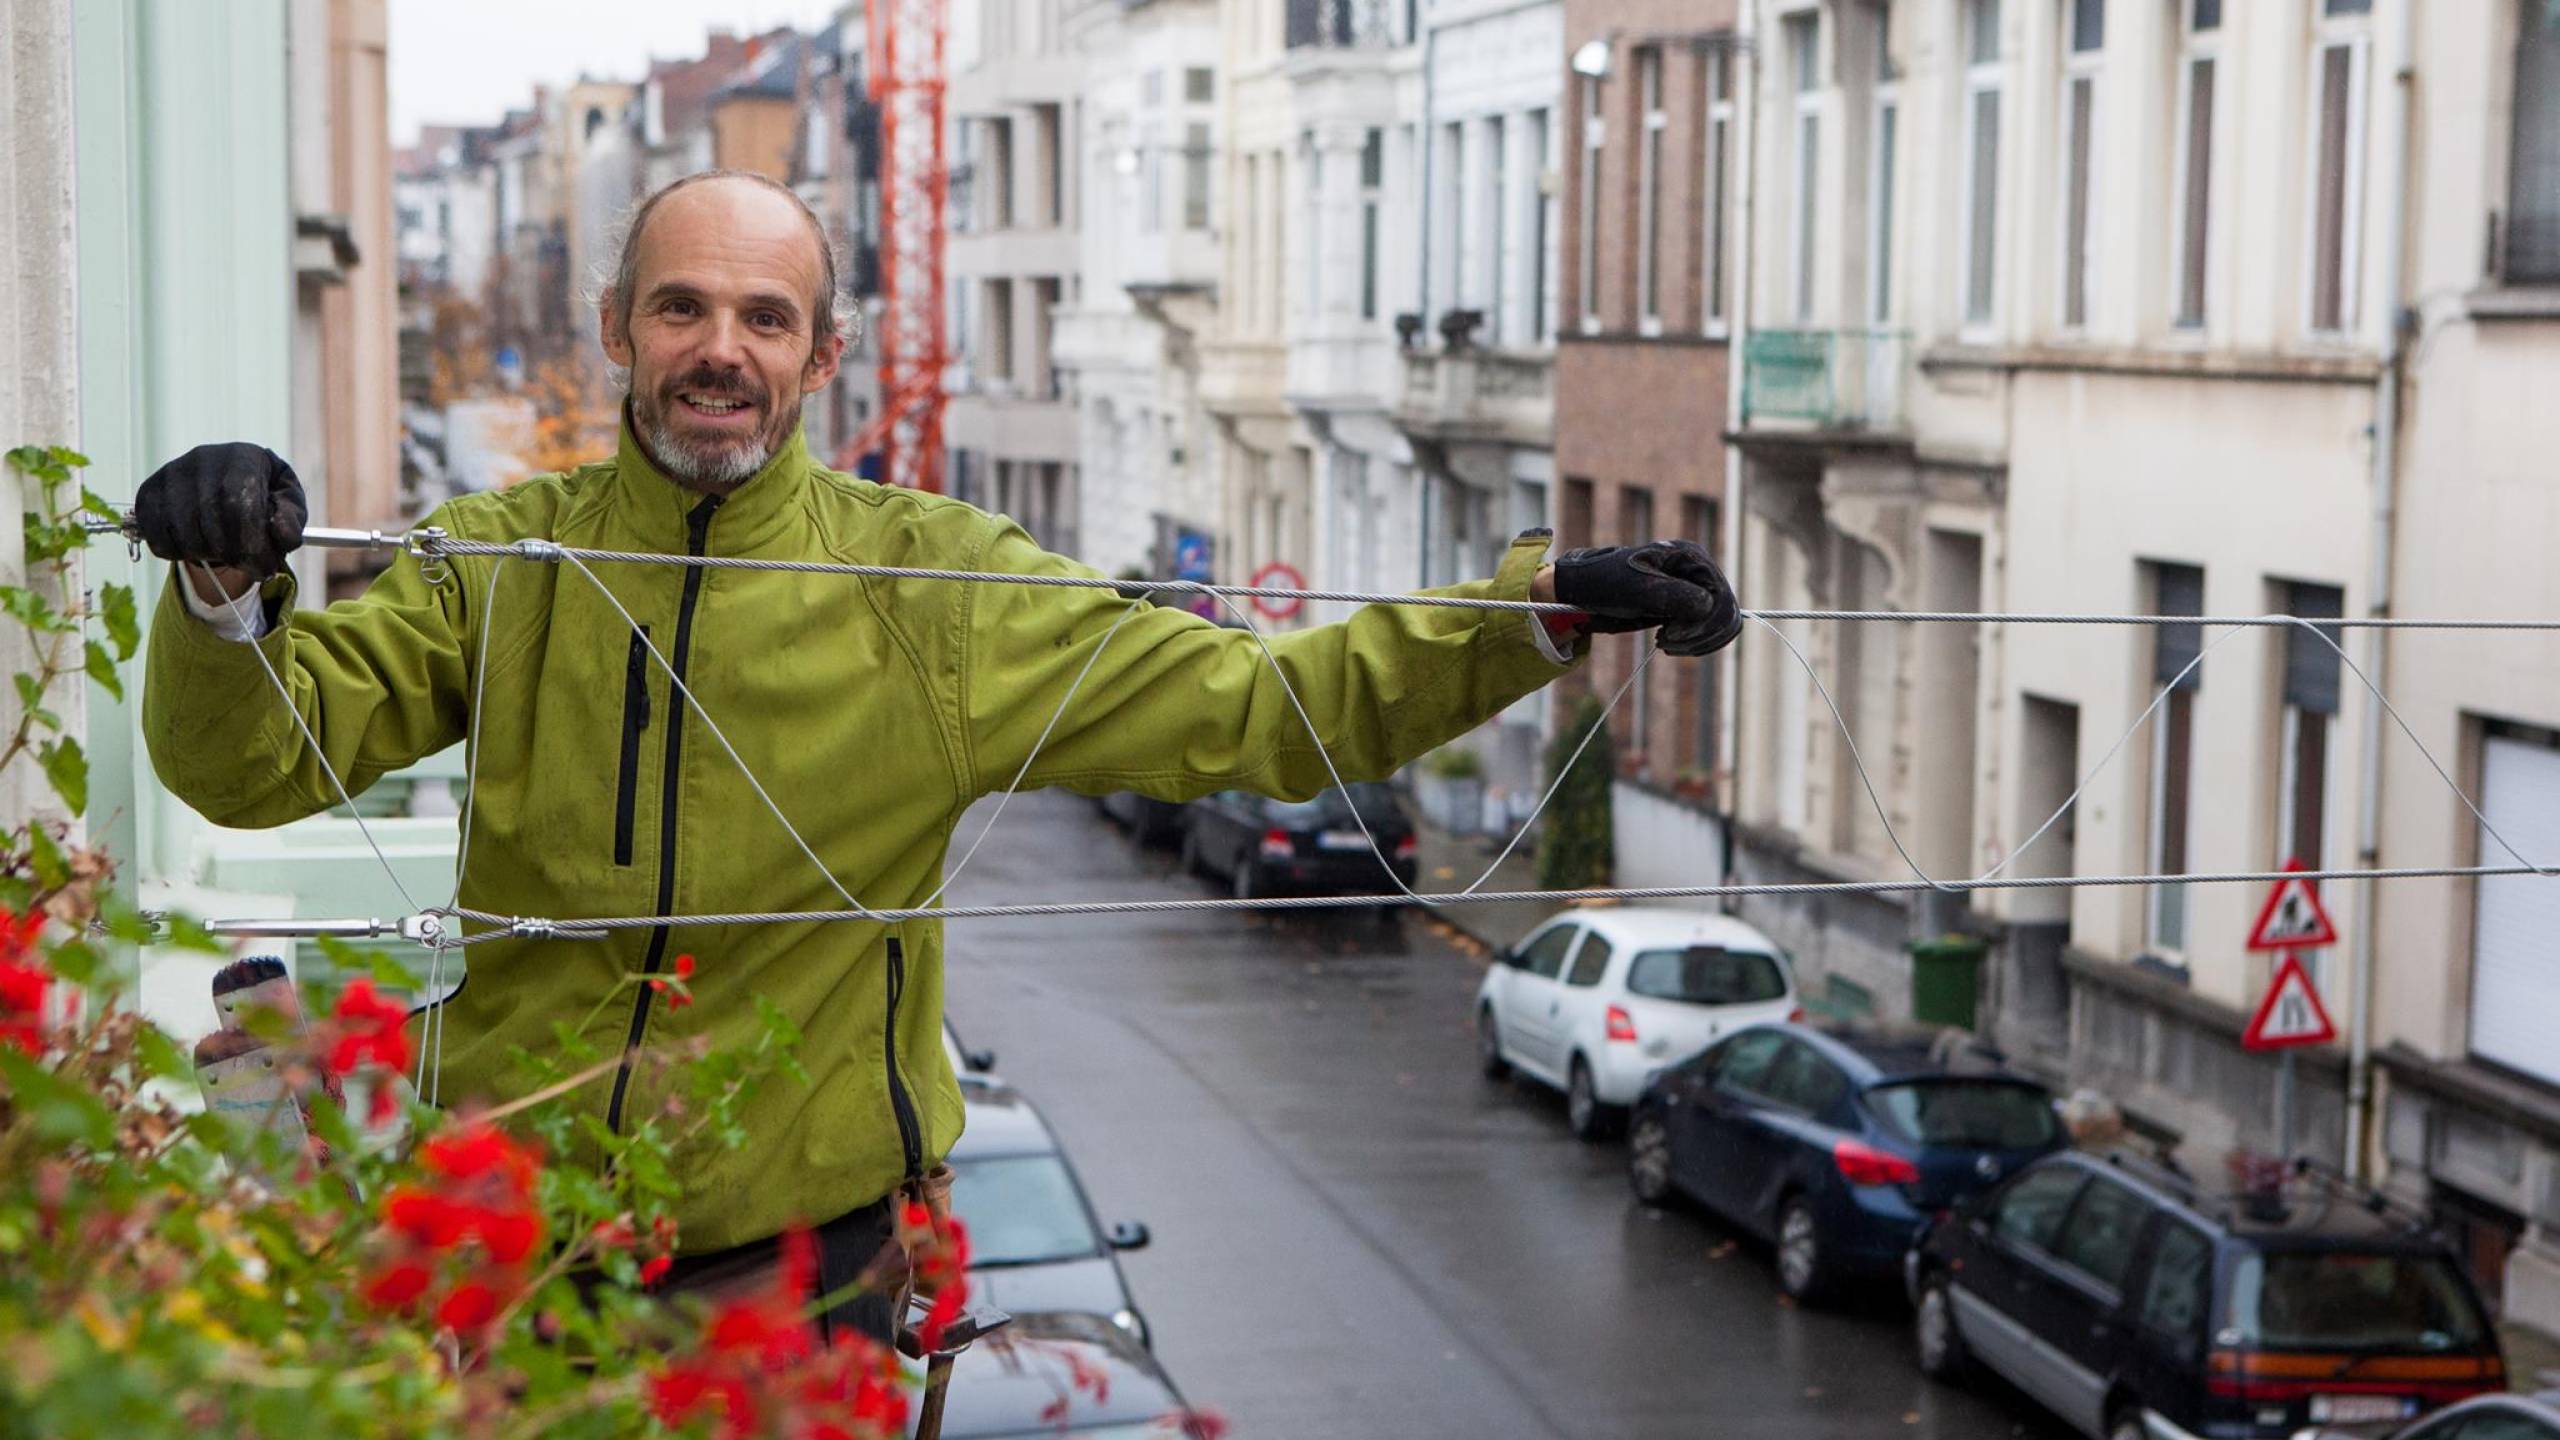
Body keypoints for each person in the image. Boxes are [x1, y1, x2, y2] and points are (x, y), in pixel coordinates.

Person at [135, 170, 1743, 1344]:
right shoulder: (509, 558)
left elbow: (1262, 712)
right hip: (512, 1264)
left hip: (796, 1279)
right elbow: (263, 763)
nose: (720, 348)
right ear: (615, 330)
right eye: (682, 306)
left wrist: (1521, 614)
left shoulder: (935, 591)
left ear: (823, 356)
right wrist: (218, 594)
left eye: (765, 315)